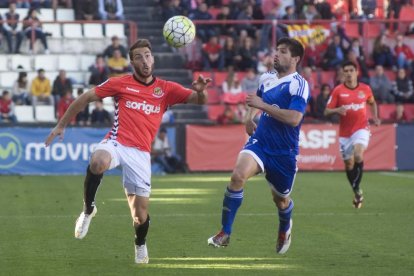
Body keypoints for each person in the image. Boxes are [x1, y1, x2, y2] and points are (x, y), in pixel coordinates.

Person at [44, 39, 211, 264]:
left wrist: (200, 92)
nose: (145, 60)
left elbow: (198, 101)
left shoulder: (166, 89)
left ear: (153, 58)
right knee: (97, 162)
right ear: (132, 62)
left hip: (141, 154)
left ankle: (140, 244)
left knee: (140, 216)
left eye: (148, 55)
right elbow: (85, 97)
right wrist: (62, 124)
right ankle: (88, 210)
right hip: (117, 143)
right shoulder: (119, 83)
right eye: (139, 57)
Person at [207, 37, 309, 255]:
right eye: (276, 50)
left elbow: (294, 118)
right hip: (260, 142)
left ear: (295, 59)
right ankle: (225, 232)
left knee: (280, 201)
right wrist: (250, 117)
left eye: (282, 52)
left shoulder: (298, 84)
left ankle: (284, 226)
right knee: (237, 176)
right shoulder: (267, 78)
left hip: (284, 152)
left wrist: (262, 106)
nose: (276, 55)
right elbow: (258, 98)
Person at [324, 61, 381, 209]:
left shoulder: (365, 89)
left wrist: (375, 116)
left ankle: (356, 187)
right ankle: (357, 190)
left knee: (358, 154)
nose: (349, 73)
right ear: (343, 74)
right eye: (346, 71)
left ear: (357, 72)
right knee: (349, 164)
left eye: (351, 70)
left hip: (361, 128)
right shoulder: (338, 90)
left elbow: (372, 102)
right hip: (345, 133)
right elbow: (326, 111)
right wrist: (337, 110)